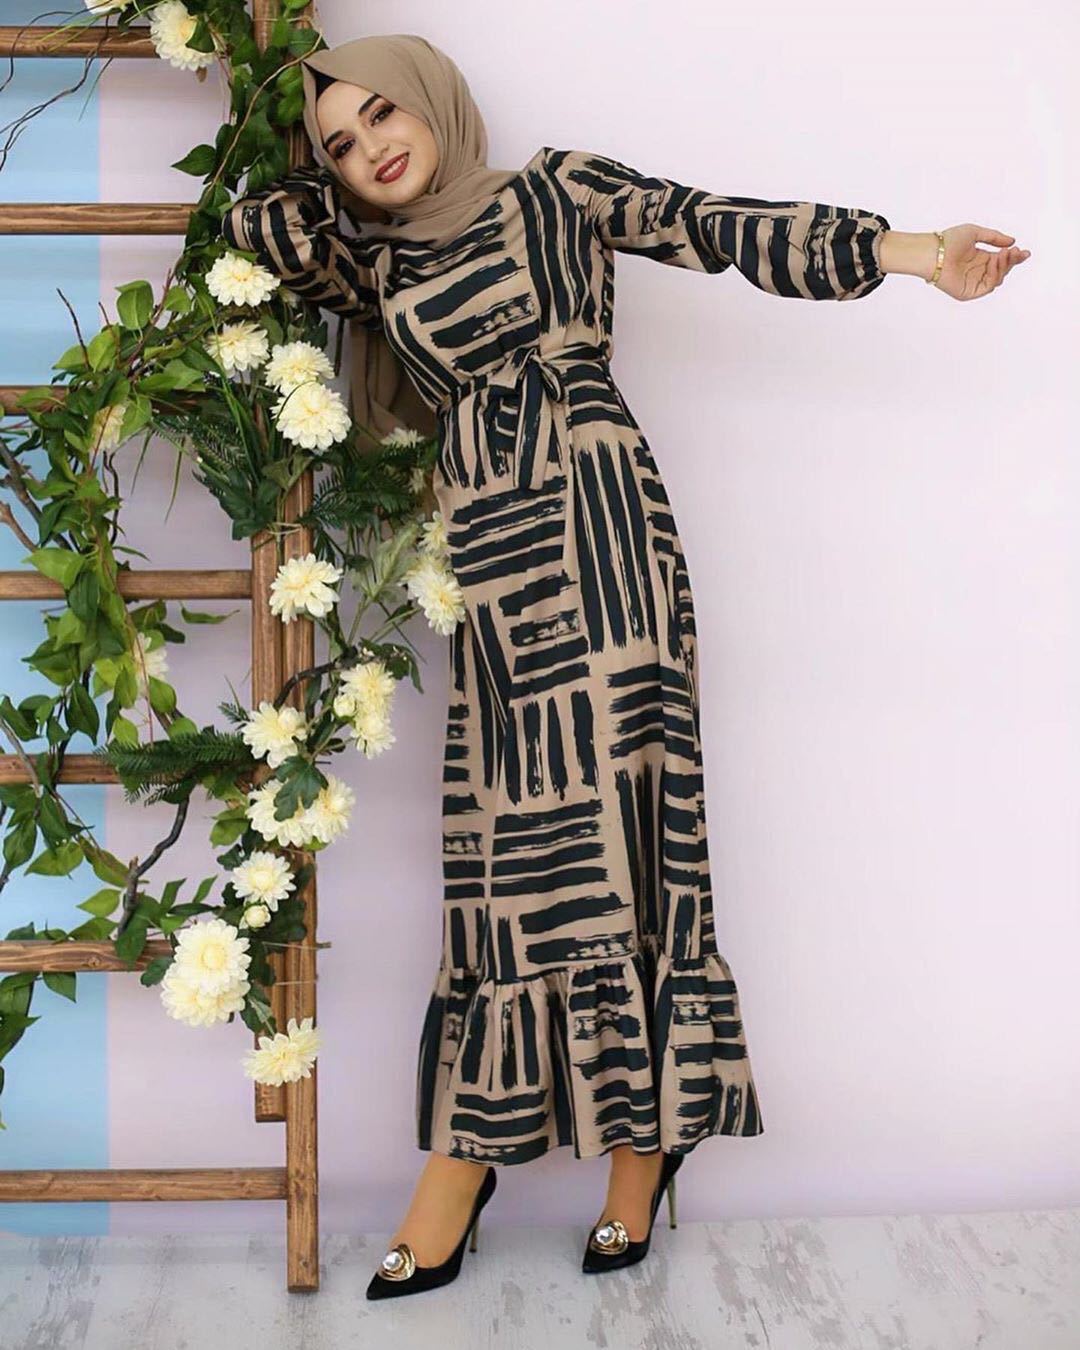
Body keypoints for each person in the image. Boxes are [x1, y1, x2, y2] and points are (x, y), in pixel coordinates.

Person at [220, 33, 1029, 1300]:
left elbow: (717, 225)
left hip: (603, 534)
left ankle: (631, 1151)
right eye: (342, 142)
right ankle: (479, 1150)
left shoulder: (558, 187)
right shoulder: (376, 259)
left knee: (627, 823)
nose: (372, 145)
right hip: (494, 557)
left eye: (385, 111)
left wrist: (918, 252)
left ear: (433, 100)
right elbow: (262, 228)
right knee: (507, 843)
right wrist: (288, 124)